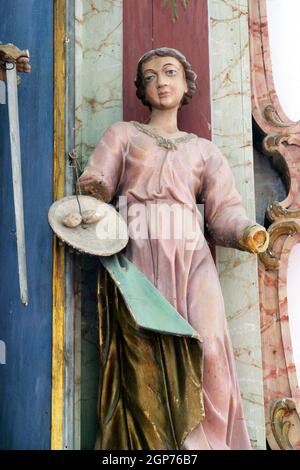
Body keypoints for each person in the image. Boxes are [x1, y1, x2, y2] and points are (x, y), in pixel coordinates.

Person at [78, 47, 268, 450]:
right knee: (144, 355)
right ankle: (155, 450)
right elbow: (97, 183)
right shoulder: (124, 135)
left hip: (189, 252)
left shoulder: (204, 151)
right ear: (142, 91)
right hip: (135, 256)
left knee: (210, 343)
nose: (160, 82)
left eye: (169, 73)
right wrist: (92, 189)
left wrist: (249, 232)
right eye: (150, 77)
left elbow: (222, 216)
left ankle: (207, 445)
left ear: (186, 84)